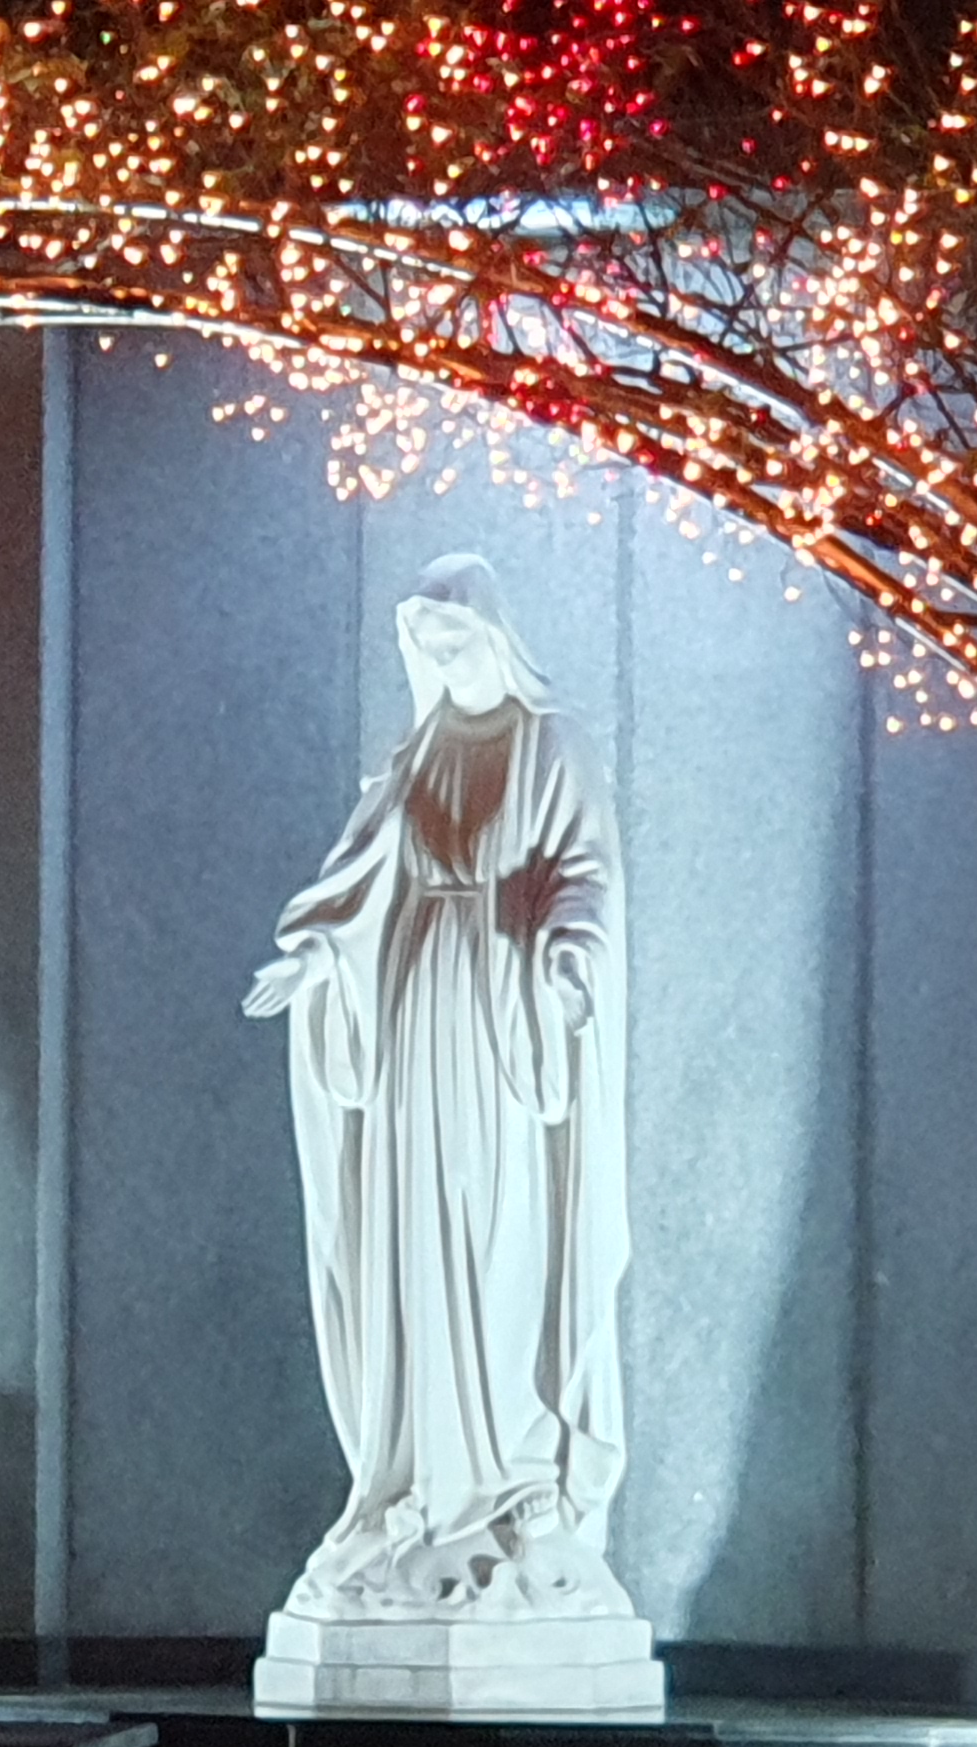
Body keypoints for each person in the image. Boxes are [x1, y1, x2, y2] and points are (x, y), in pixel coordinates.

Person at [242, 552, 639, 1627]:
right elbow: (360, 882)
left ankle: (514, 1479)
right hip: (414, 1019)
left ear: (494, 634)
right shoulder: (415, 756)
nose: (438, 652)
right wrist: (316, 960)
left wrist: (569, 956)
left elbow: (585, 870)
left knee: (498, 1241)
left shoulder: (550, 746)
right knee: (412, 1248)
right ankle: (419, 1478)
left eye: (453, 633)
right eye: (424, 638)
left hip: (502, 1018)